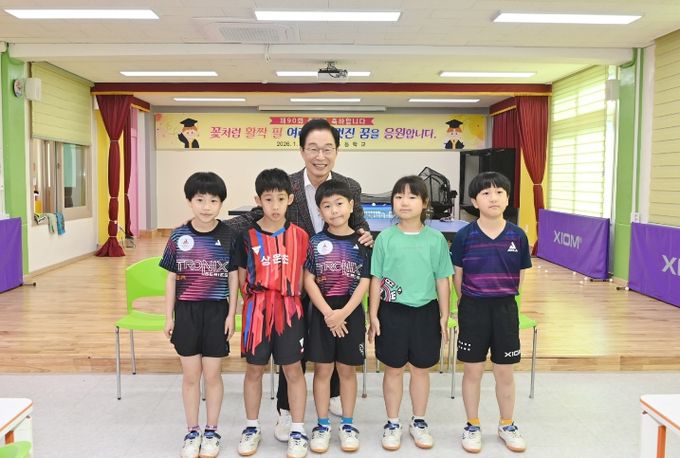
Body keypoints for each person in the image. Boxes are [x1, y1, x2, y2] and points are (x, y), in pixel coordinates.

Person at [222, 118, 372, 441]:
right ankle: (287, 411)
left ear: (337, 151)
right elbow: (255, 218)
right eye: (313, 148)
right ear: (302, 151)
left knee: (332, 345)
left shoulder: (350, 186)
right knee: (292, 356)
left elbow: (359, 224)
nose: (320, 156)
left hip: (337, 281)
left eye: (328, 149)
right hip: (293, 283)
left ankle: (333, 395)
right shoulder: (286, 186)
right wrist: (213, 227)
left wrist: (367, 236)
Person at [368, 175, 452, 451]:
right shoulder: (385, 238)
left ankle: (419, 421)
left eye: (412, 197)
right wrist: (373, 315)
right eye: (399, 196)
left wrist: (444, 315)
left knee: (420, 370)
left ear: (424, 203)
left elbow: (442, 279)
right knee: (393, 369)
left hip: (425, 313)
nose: (404, 202)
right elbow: (376, 279)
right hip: (392, 312)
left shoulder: (436, 239)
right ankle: (392, 422)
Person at [450, 171, 532, 454]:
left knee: (504, 372)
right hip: (473, 309)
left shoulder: (518, 235)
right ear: (475, 201)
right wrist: (468, 302)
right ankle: (472, 425)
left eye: (499, 192)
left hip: (505, 310)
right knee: (472, 371)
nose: (493, 198)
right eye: (485, 193)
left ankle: (507, 424)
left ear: (508, 199)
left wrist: (504, 296)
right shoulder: (464, 236)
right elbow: (458, 276)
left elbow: (521, 275)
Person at [160, 172, 239, 458]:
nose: (206, 206)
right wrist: (168, 316)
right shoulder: (178, 235)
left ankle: (212, 431)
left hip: (217, 311)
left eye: (213, 201)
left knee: (213, 375)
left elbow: (233, 277)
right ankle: (192, 431)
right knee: (191, 376)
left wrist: (231, 314)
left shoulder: (229, 235)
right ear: (189, 201)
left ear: (221, 203)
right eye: (200, 200)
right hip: (187, 312)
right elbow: (171, 278)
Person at [233, 168, 310, 458]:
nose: (275, 206)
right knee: (254, 370)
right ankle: (251, 427)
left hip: (290, 310)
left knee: (293, 370)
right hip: (257, 311)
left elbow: (304, 278)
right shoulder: (246, 236)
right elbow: (241, 277)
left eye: (280, 199)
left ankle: (298, 429)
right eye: (268, 199)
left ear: (290, 198)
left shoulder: (301, 236)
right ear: (258, 200)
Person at [303, 180, 371, 453]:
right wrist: (329, 313)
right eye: (327, 206)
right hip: (323, 314)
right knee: (322, 370)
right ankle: (322, 425)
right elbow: (308, 280)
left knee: (346, 371)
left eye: (339, 204)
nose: (334, 210)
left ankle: (347, 424)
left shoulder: (363, 242)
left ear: (351, 205)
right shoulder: (315, 242)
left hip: (351, 313)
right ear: (320, 211)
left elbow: (365, 281)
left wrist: (343, 313)